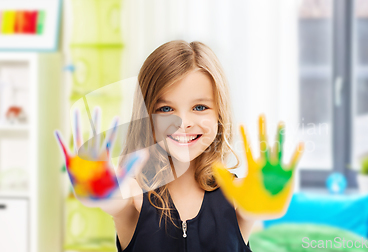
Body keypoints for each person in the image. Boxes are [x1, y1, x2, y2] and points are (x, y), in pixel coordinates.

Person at [55, 40, 302, 252]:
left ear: (219, 112)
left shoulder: (239, 194)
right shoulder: (133, 194)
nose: (182, 123)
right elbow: (114, 200)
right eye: (165, 109)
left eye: (199, 107)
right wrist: (98, 191)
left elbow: (254, 210)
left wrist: (269, 202)